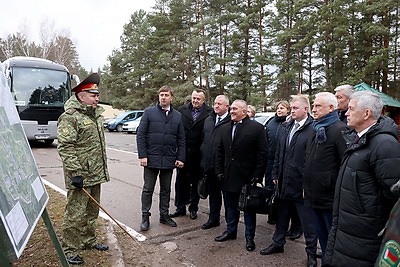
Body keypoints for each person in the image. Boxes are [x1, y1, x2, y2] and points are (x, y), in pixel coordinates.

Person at [325, 91, 400, 266]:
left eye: (350, 109)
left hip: (366, 238)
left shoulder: (384, 145)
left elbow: (393, 199)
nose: (345, 113)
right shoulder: (358, 139)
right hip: (348, 233)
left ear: (366, 113)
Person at [57, 73, 110, 265]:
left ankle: (88, 241)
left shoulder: (95, 115)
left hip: (95, 174)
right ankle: (70, 249)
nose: (97, 98)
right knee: (75, 214)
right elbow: (65, 147)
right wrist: (76, 173)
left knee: (91, 212)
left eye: (97, 94)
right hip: (79, 176)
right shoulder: (70, 117)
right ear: (81, 96)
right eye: (93, 95)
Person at [260, 95, 318, 267]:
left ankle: (312, 254)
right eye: (291, 108)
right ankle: (278, 243)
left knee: (307, 223)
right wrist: (275, 174)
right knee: (281, 216)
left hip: (301, 185)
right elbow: (279, 153)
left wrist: (307, 184)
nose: (292, 111)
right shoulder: (286, 126)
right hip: (283, 182)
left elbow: (313, 160)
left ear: (305, 109)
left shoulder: (313, 128)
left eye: (295, 108)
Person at [214, 100, 268, 252]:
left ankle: (249, 237)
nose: (231, 111)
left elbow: (263, 153)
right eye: (231, 109)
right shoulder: (224, 129)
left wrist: (258, 176)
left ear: (244, 112)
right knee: (230, 206)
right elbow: (219, 152)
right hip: (227, 176)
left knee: (249, 209)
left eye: (235, 109)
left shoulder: (257, 128)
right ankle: (231, 231)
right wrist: (219, 171)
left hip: (247, 177)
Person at [303, 92, 347, 265]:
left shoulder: (339, 130)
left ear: (331, 108)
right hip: (314, 195)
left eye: (317, 106)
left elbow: (345, 164)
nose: (313, 109)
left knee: (331, 239)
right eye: (313, 105)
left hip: (329, 197)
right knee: (322, 236)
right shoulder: (316, 128)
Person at [136, 86, 186, 231]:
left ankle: (164, 215)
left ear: (171, 98)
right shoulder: (149, 112)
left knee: (166, 190)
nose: (163, 97)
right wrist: (143, 155)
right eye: (161, 95)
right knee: (148, 189)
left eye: (166, 95)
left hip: (169, 160)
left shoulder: (177, 116)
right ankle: (145, 217)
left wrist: (180, 158)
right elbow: (141, 135)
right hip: (151, 159)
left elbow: (181, 139)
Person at [170, 89, 213, 220]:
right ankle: (180, 207)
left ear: (203, 100)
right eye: (193, 98)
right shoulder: (182, 110)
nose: (195, 101)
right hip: (183, 153)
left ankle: (193, 208)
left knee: (196, 183)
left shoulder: (209, 112)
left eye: (198, 99)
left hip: (199, 154)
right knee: (180, 182)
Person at [200, 95, 230, 230]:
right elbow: (204, 141)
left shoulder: (231, 122)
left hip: (225, 167)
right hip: (209, 165)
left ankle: (231, 224)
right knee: (213, 195)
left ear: (227, 107)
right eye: (215, 103)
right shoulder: (208, 120)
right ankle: (213, 219)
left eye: (219, 104)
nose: (216, 106)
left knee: (228, 198)